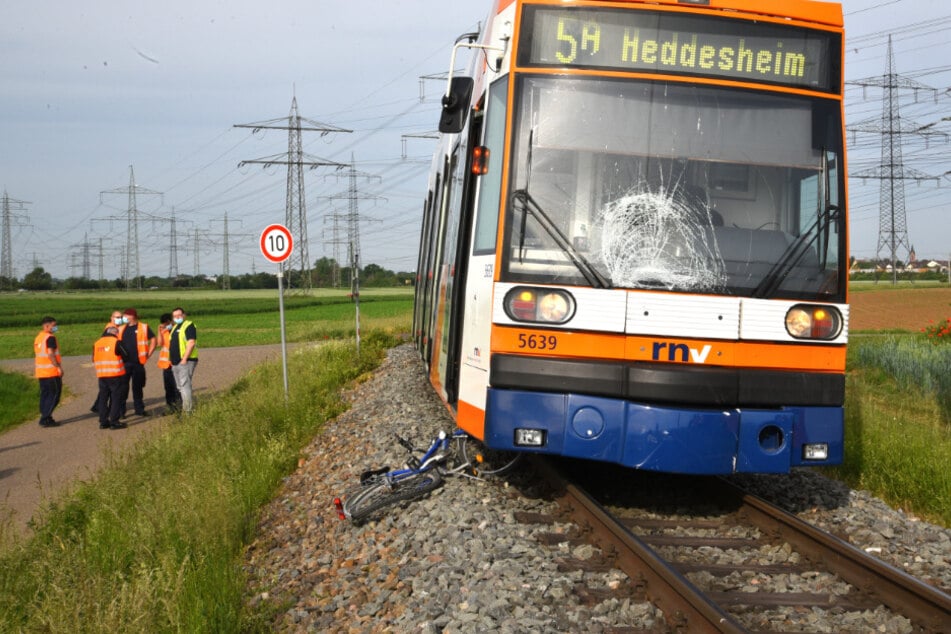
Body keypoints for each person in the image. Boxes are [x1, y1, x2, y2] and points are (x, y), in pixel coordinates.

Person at [117, 308, 156, 417]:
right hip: (124, 363)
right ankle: (121, 411)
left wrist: (149, 353)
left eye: (125, 315)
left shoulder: (143, 327)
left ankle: (139, 409)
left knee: (138, 387)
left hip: (138, 363)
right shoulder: (121, 329)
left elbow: (153, 339)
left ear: (132, 316)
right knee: (123, 388)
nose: (123, 318)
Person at [92, 326, 129, 429]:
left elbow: (93, 358)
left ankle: (103, 421)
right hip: (115, 374)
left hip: (102, 374)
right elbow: (126, 355)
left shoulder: (97, 343)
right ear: (116, 333)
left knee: (103, 398)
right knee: (116, 398)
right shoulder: (116, 342)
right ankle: (114, 421)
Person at [91, 310, 124, 414]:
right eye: (117, 317)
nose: (119, 319)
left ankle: (99, 408)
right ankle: (108, 411)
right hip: (111, 363)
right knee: (110, 390)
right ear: (112, 318)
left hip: (106, 365)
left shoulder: (116, 328)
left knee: (105, 390)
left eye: (120, 317)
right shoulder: (110, 328)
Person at [34, 316, 63, 428]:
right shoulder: (50, 338)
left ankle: (46, 415)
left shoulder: (39, 338)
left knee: (45, 395)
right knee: (55, 395)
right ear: (47, 325)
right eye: (54, 325)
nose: (55, 327)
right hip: (51, 372)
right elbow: (51, 354)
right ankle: (45, 418)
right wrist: (58, 367)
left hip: (41, 372)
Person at [169, 307, 198, 414]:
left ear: (184, 315)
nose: (177, 317)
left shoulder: (189, 325)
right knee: (180, 387)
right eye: (175, 316)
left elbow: (191, 343)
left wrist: (185, 359)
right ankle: (185, 408)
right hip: (175, 362)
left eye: (179, 315)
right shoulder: (174, 327)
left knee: (185, 386)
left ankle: (188, 411)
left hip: (186, 360)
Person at [156, 312, 182, 414]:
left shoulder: (178, 331)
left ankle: (179, 407)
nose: (166, 325)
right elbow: (159, 343)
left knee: (177, 387)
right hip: (166, 364)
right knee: (168, 388)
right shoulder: (165, 332)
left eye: (167, 323)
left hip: (176, 363)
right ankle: (170, 407)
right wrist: (159, 331)